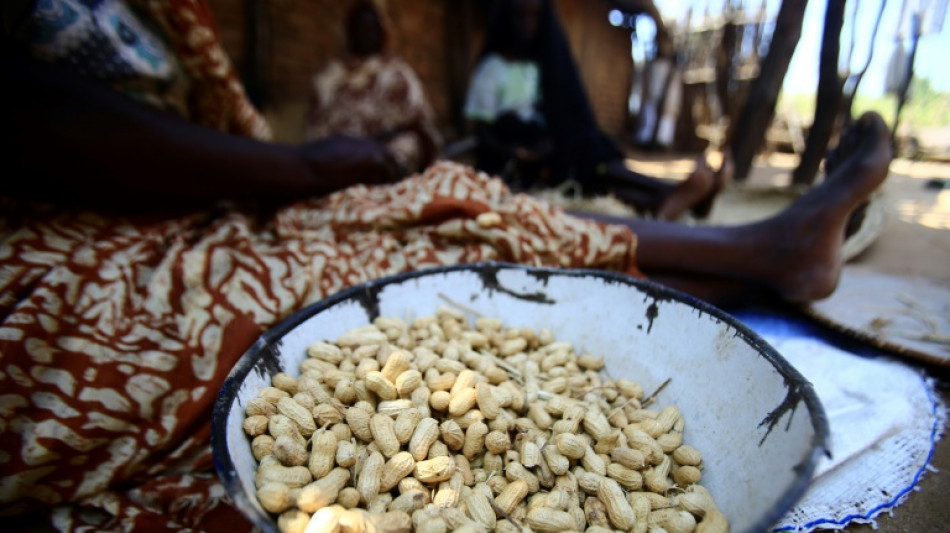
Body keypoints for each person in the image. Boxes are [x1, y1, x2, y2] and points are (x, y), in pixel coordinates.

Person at [1, 0, 892, 531]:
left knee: (447, 209)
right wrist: (304, 167)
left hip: (186, 201)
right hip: (59, 258)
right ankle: (758, 255)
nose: (357, 19)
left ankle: (755, 252)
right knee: (409, 248)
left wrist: (320, 169)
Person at [464, 0, 732, 221]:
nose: (527, 26)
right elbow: (482, 133)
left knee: (592, 155)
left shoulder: (541, 67)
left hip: (549, 152)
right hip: (515, 161)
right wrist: (516, 152)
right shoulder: (492, 69)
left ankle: (668, 197)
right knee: (583, 158)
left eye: (534, 18)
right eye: (520, 17)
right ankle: (669, 196)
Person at [305, 1, 443, 175]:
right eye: (360, 29)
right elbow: (317, 131)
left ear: (381, 33)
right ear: (349, 33)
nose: (366, 35)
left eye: (371, 29)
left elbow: (420, 123)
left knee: (406, 145)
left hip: (386, 148)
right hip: (342, 154)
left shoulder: (398, 74)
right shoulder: (328, 79)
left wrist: (382, 138)